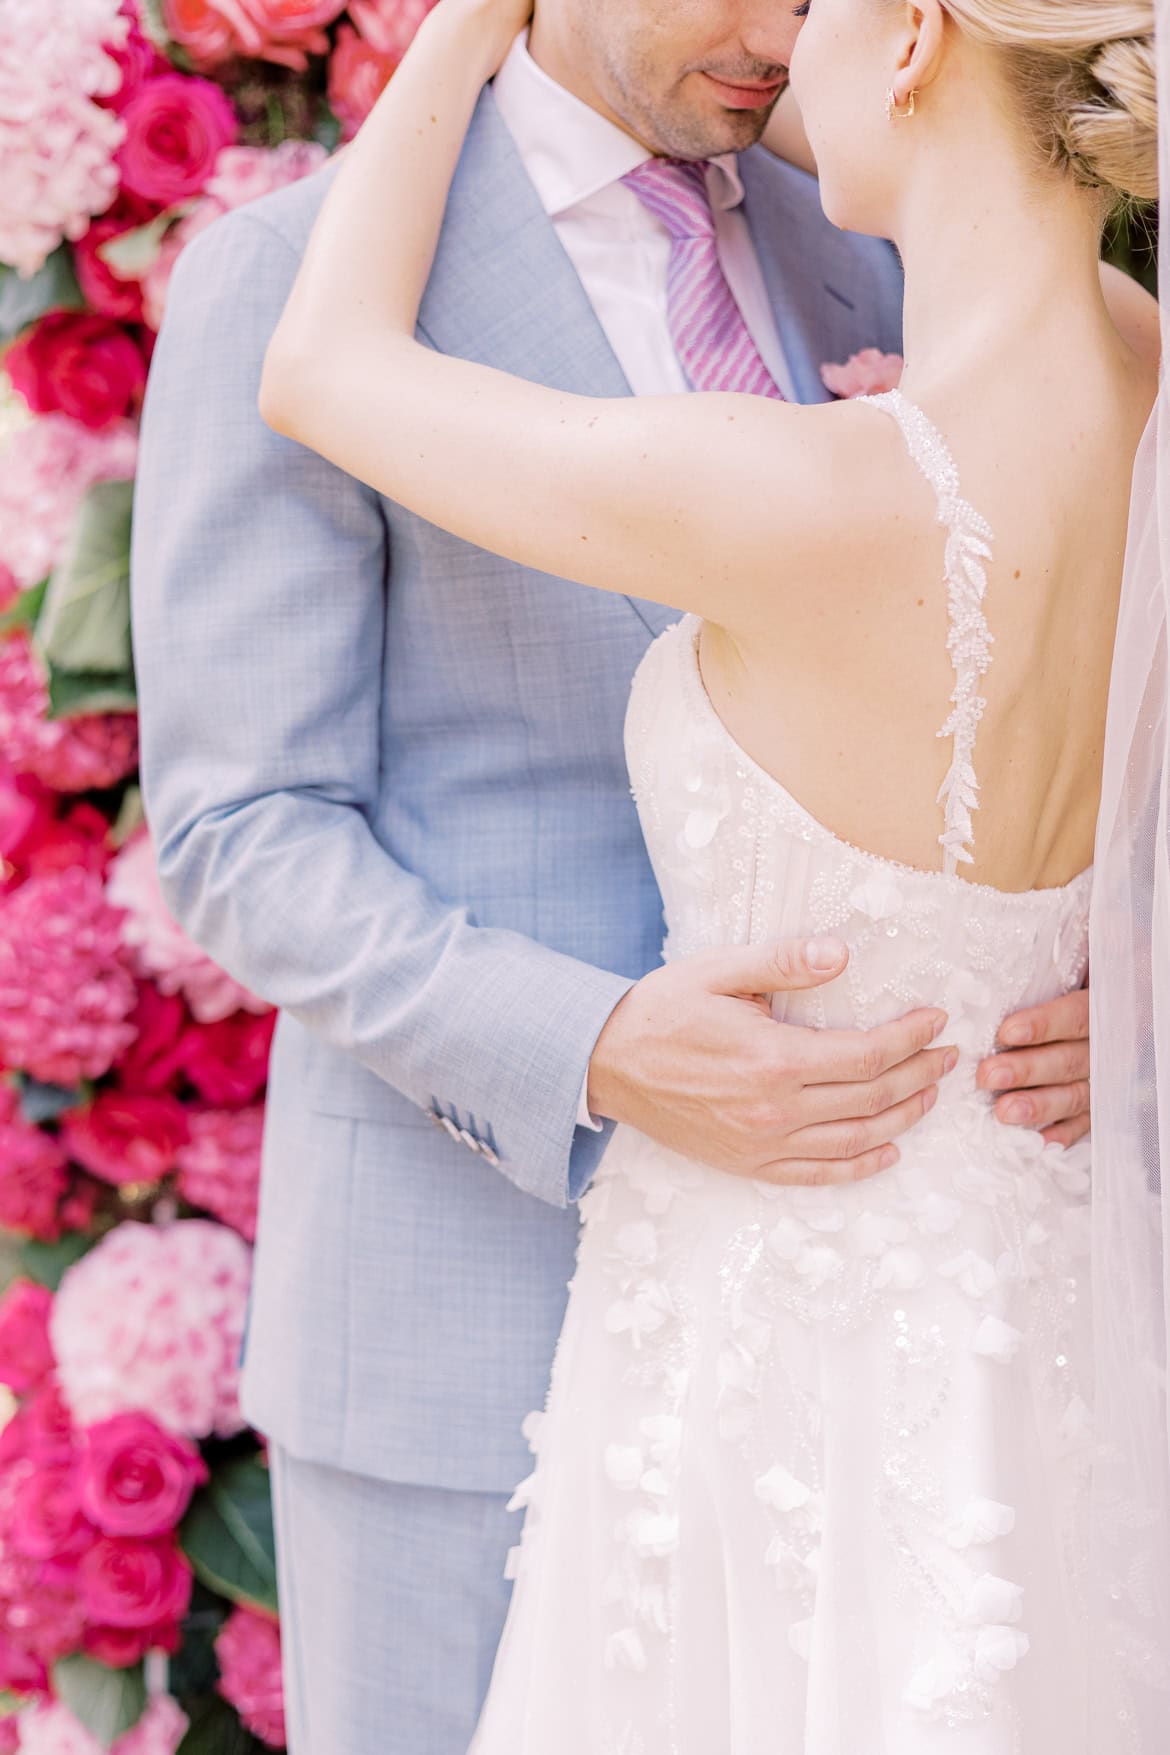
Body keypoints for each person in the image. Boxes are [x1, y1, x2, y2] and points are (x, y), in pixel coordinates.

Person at [129, 0, 1136, 1748]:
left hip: (888, 1349)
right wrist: (592, 1046)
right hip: (457, 1322)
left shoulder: (902, 245)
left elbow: (1064, 687)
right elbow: (243, 829)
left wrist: (1113, 976)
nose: (781, 32)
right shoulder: (288, 275)